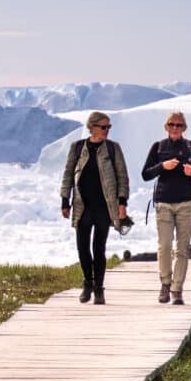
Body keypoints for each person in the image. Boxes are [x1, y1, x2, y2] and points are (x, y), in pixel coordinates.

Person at [60, 112, 130, 305]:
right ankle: (87, 283)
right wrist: (65, 200)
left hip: (104, 206)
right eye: (103, 127)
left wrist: (122, 203)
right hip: (82, 205)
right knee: (82, 247)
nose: (106, 131)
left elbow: (122, 177)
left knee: (99, 248)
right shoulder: (77, 148)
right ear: (91, 127)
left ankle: (99, 288)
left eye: (109, 127)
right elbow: (67, 175)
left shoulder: (113, 149)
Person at [141, 111, 191, 305]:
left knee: (182, 249)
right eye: (171, 124)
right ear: (166, 126)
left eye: (179, 125)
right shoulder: (158, 147)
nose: (174, 128)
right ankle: (165, 283)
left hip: (187, 203)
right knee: (164, 246)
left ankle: (177, 289)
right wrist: (163, 166)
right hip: (163, 202)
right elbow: (145, 174)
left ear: (184, 128)